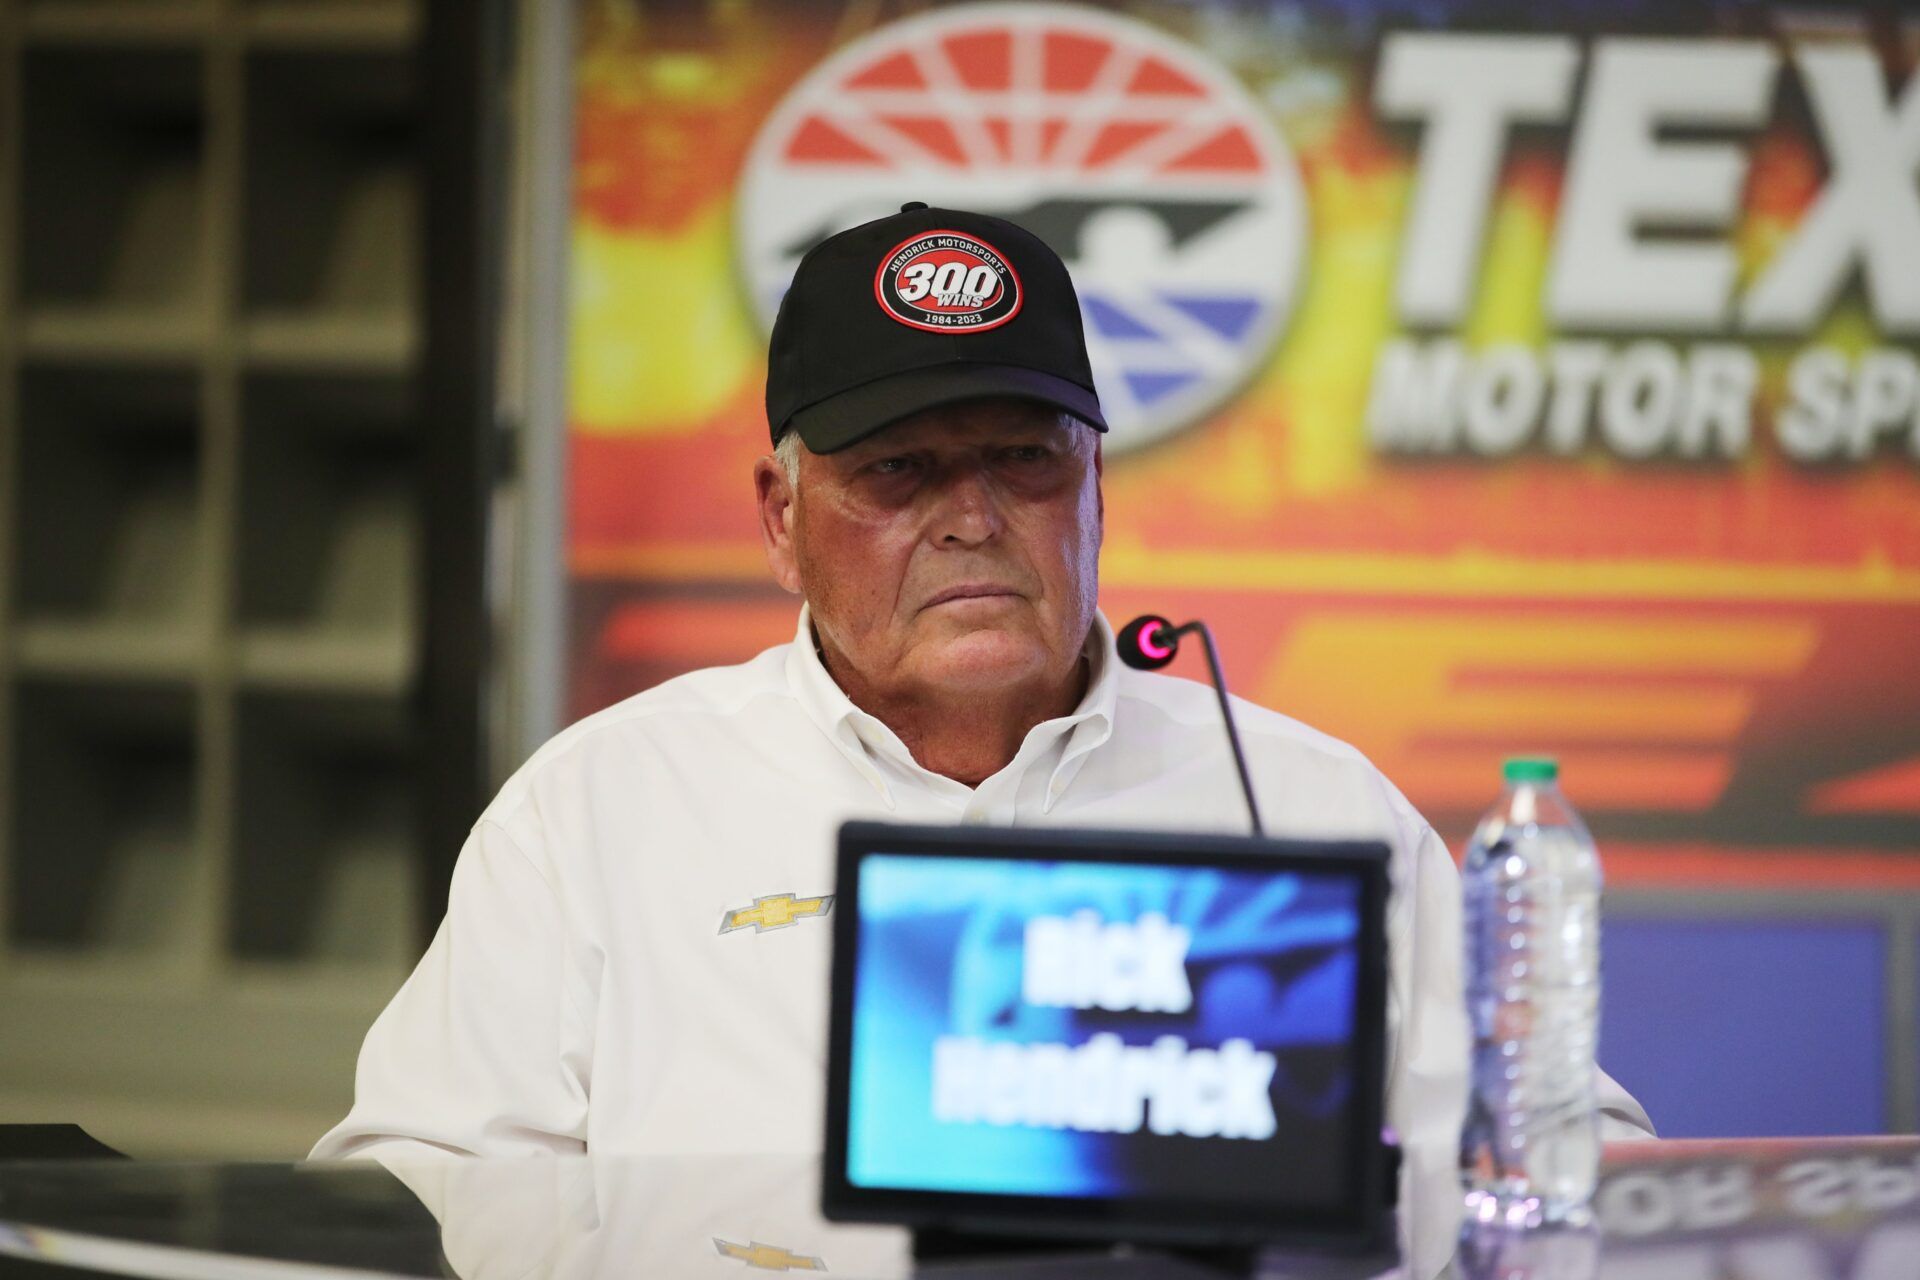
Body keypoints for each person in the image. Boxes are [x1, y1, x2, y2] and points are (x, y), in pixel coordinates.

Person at [311, 203, 1649, 1161]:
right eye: (897, 472)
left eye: (1023, 460)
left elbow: (1570, 1154)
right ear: (780, 517)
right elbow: (420, 1188)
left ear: (1095, 488)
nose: (971, 518)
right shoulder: (602, 809)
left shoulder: (1302, 804)